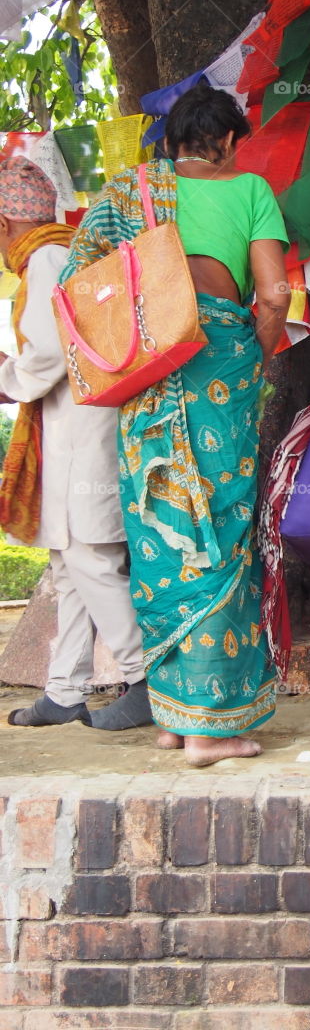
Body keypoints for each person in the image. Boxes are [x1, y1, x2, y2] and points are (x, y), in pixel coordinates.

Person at [59, 86, 290, 766]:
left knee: (163, 533)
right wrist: (257, 354)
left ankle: (172, 714)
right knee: (216, 531)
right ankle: (211, 731)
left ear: (172, 143)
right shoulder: (250, 191)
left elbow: (85, 280)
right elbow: (273, 292)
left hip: (145, 373)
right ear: (224, 141)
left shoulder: (130, 196)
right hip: (217, 364)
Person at [0, 157, 150, 730]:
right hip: (78, 424)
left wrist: (8, 380)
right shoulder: (63, 249)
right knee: (70, 562)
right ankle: (64, 691)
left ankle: (143, 678)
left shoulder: (44, 257)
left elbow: (44, 351)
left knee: (89, 555)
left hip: (83, 428)